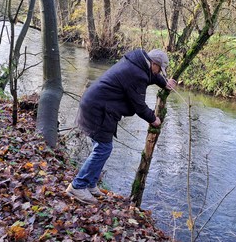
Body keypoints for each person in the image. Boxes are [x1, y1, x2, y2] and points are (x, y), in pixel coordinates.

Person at [66, 48, 177, 204]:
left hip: (94, 103)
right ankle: (78, 186)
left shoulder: (136, 63)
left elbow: (152, 76)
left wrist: (165, 84)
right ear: (154, 63)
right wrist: (154, 119)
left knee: (101, 147)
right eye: (159, 69)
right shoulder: (137, 74)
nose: (159, 72)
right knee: (103, 148)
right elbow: (139, 105)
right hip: (99, 109)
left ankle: (90, 184)